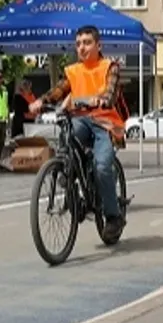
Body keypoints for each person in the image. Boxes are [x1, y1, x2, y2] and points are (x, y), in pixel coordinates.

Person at [29, 25, 126, 239]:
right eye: (79, 43)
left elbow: (110, 93)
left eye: (87, 43)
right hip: (81, 119)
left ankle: (113, 216)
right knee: (67, 133)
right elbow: (59, 90)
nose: (82, 48)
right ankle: (67, 170)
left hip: (104, 122)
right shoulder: (73, 71)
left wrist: (100, 100)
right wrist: (41, 101)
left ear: (98, 45)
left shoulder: (110, 67)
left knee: (102, 168)